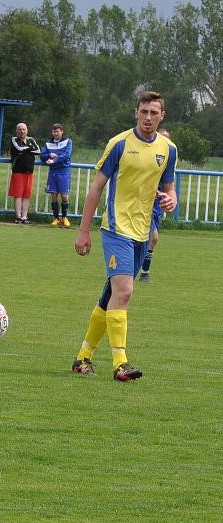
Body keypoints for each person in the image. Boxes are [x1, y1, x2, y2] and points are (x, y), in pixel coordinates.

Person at [72, 91, 177, 381]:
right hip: (116, 229)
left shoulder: (168, 149)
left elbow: (170, 188)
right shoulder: (119, 144)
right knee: (125, 292)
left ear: (162, 116)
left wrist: (171, 200)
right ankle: (121, 363)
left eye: (154, 113)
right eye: (144, 111)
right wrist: (84, 231)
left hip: (143, 231)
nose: (148, 118)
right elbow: (95, 189)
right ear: (136, 112)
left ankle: (83, 358)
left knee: (111, 297)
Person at [139, 128, 171, 283]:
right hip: (145, 203)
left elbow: (169, 186)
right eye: (162, 138)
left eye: (168, 140)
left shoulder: (168, 158)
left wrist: (170, 198)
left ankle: (141, 271)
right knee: (154, 237)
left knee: (147, 239)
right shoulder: (149, 156)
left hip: (157, 205)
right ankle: (143, 272)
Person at [42, 123, 73, 227]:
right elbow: (42, 156)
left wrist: (54, 160)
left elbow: (66, 155)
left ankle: (64, 218)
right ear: (52, 132)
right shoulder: (48, 144)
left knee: (64, 196)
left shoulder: (68, 141)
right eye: (54, 131)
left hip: (64, 171)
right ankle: (55, 218)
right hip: (53, 171)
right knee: (54, 195)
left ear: (62, 132)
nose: (56, 133)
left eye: (57, 131)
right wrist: (49, 155)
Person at [8, 122, 40, 224]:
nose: (22, 131)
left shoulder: (31, 140)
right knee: (18, 195)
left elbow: (38, 151)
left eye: (24, 129)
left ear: (27, 130)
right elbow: (18, 149)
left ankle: (24, 216)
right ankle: (18, 216)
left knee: (27, 195)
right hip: (18, 171)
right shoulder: (14, 140)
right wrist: (30, 149)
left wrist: (26, 151)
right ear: (17, 131)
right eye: (20, 129)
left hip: (29, 171)